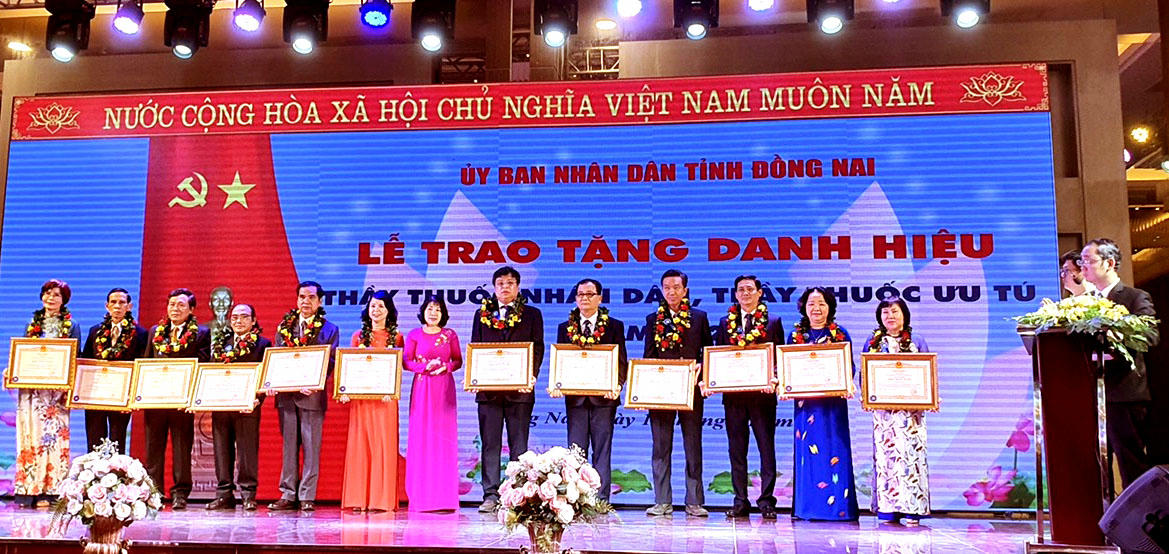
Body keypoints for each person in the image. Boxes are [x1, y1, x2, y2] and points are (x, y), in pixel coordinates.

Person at [1079, 238, 1160, 488]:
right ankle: (1102, 511)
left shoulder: (1135, 297)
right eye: (1081, 261)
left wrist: (1118, 333)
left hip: (1123, 395)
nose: (1083, 266)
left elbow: (1150, 336)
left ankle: (1137, 513)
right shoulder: (1082, 302)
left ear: (1109, 263)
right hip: (1090, 395)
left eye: (1088, 260)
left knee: (1130, 464)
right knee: (1093, 467)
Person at [706, 275, 784, 520]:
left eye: (750, 289)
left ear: (760, 293)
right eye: (741, 290)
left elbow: (779, 359)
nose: (746, 293)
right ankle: (740, 501)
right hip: (734, 398)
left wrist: (774, 378)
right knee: (737, 451)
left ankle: (766, 501)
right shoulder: (725, 322)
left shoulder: (773, 322)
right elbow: (719, 357)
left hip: (762, 397)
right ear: (736, 294)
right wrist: (712, 380)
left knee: (766, 449)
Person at [470, 266, 544, 513]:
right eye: (500, 283)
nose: (505, 287)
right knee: (490, 444)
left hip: (519, 391)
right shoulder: (481, 314)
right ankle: (490, 495)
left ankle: (518, 495)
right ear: (494, 288)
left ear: (518, 287)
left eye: (510, 283)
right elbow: (476, 348)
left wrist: (531, 375)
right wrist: (475, 377)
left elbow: (538, 348)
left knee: (519, 445)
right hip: (488, 392)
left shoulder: (532, 314)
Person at [642, 269, 711, 518]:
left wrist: (702, 368)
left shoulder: (699, 317)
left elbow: (708, 352)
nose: (671, 292)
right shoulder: (653, 319)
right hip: (661, 394)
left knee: (693, 446)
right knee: (660, 447)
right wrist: (644, 390)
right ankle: (662, 500)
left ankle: (694, 501)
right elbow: (648, 357)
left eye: (676, 287)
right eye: (667, 287)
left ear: (685, 290)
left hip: (690, 391)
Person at [268, 280, 340, 513]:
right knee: (289, 447)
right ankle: (288, 494)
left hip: (312, 396)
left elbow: (330, 362)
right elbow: (278, 358)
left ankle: (307, 495)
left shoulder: (329, 329)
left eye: (311, 297)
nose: (305, 301)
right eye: (302, 297)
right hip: (286, 397)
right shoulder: (285, 326)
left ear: (320, 301)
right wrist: (273, 381)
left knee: (311, 447)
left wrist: (315, 382)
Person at [553, 278, 627, 503]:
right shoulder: (564, 327)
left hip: (604, 399)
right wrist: (557, 383)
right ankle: (577, 500)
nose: (584, 298)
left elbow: (621, 360)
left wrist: (617, 385)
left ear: (600, 298)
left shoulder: (614, 326)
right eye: (580, 294)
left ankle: (600, 499)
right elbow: (560, 361)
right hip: (575, 399)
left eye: (589, 294)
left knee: (602, 450)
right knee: (576, 451)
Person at [788, 286, 859, 521]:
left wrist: (846, 381)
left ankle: (839, 509)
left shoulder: (841, 334)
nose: (816, 308)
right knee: (808, 453)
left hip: (832, 407)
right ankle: (807, 508)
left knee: (834, 450)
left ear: (830, 307)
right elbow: (787, 367)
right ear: (804, 308)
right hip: (806, 406)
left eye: (821, 303)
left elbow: (849, 366)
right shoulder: (795, 336)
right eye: (811, 304)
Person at [862, 296, 931, 525]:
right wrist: (867, 395)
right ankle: (888, 510)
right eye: (885, 312)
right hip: (884, 415)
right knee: (887, 461)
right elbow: (864, 375)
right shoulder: (873, 342)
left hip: (912, 415)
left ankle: (913, 510)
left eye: (894, 311)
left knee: (912, 460)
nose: (890, 316)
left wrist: (930, 396)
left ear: (904, 315)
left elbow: (927, 373)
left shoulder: (917, 341)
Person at [12, 279, 79, 509]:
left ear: (64, 300)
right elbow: (23, 353)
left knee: (54, 440)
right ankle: (28, 491)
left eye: (57, 295)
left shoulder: (72, 325)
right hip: (32, 392)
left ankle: (52, 492)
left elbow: (75, 357)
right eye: (47, 293)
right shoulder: (31, 324)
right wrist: (13, 369)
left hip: (56, 394)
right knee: (30, 438)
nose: (51, 298)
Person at [144, 287, 210, 511]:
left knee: (182, 449)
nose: (175, 309)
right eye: (172, 304)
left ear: (191, 309)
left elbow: (202, 366)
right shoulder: (155, 331)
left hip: (182, 402)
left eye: (181, 305)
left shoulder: (201, 333)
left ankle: (180, 493)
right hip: (155, 400)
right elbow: (145, 362)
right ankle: (154, 492)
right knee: (153, 449)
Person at [340, 289, 403, 512]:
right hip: (362, 399)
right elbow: (351, 366)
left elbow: (398, 369)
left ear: (389, 311)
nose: (376, 310)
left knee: (382, 446)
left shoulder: (397, 337)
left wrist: (391, 390)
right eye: (373, 306)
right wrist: (345, 389)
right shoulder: (358, 336)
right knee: (361, 445)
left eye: (381, 306)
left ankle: (380, 500)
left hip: (385, 400)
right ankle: (358, 499)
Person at [206, 303, 271, 512]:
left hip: (248, 407)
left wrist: (258, 398)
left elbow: (266, 376)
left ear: (253, 321)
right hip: (222, 406)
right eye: (234, 317)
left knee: (247, 452)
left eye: (244, 317)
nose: (238, 321)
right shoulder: (220, 343)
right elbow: (211, 374)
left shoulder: (262, 344)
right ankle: (224, 495)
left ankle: (248, 495)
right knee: (221, 451)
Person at [402, 295, 462, 512]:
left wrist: (446, 367)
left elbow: (458, 360)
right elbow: (406, 361)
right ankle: (422, 499)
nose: (433, 312)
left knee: (444, 440)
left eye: (437, 309)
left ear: (443, 313)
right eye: (430, 308)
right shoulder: (414, 334)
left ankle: (445, 499)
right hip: (422, 388)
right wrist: (424, 367)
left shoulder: (450, 335)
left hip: (444, 388)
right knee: (422, 438)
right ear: (423, 311)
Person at [81, 287, 147, 455]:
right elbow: (85, 361)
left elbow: (141, 368)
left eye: (122, 302)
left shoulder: (140, 334)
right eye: (113, 302)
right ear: (107, 306)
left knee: (118, 440)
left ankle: (116, 470)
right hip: (95, 396)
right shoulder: (95, 331)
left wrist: (131, 397)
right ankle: (94, 471)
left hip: (121, 398)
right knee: (94, 440)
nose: (117, 306)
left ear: (129, 306)